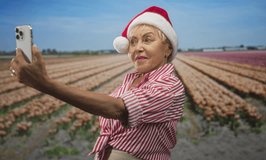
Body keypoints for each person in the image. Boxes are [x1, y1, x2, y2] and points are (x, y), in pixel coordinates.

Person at [10, 6, 185, 160]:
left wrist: (46, 84)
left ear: (168, 48)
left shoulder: (170, 85)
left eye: (147, 39)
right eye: (133, 42)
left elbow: (118, 108)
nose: (137, 47)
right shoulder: (129, 82)